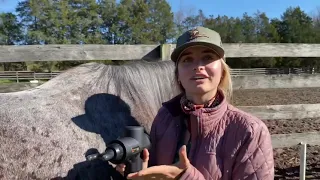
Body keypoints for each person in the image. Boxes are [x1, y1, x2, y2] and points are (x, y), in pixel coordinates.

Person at [116, 26, 275, 179]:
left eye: (208, 57)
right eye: (187, 59)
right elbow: (157, 170)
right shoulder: (164, 117)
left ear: (222, 70)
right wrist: (143, 172)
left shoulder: (250, 131)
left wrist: (184, 177)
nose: (198, 67)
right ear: (178, 73)